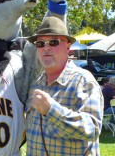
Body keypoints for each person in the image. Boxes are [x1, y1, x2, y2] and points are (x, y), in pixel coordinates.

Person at [25, 17, 103, 155]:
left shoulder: (83, 81)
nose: (46, 47)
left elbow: (93, 129)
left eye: (53, 42)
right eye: (40, 43)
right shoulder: (36, 83)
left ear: (68, 47)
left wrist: (51, 110)